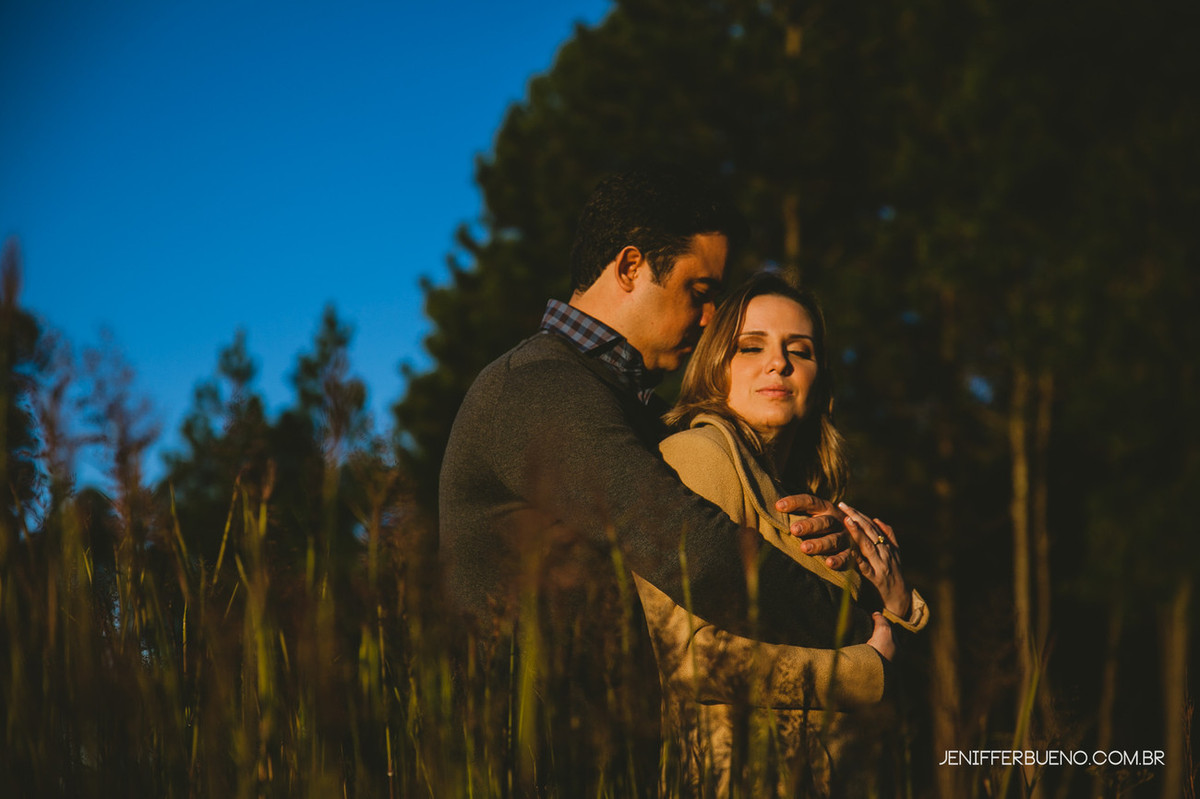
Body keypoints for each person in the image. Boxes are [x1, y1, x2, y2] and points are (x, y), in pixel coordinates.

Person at [438, 169, 864, 793]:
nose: (710, 315)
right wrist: (852, 621)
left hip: (598, 754)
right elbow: (695, 550)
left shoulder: (617, 402)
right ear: (631, 267)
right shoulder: (537, 387)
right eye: (699, 289)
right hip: (528, 755)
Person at [636, 272, 928, 796]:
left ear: (820, 381)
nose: (780, 363)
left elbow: (887, 664)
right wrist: (864, 671)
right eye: (751, 346)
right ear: (714, 365)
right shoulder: (698, 456)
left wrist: (896, 598)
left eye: (801, 350)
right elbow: (693, 662)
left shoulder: (803, 496)